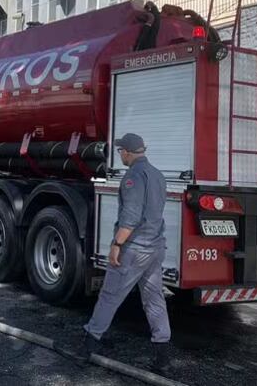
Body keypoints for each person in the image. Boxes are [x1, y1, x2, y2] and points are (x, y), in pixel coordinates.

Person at [62, 133, 172, 371]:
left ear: (128, 152)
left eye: (121, 150)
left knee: (110, 295)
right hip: (155, 248)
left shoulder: (133, 176)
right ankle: (162, 354)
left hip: (134, 249)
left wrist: (117, 245)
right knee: (154, 299)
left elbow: (131, 217)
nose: (120, 154)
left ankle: (89, 344)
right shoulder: (158, 175)